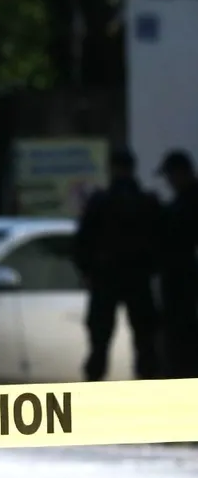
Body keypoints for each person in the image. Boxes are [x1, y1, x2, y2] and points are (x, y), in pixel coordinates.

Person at [73, 147, 162, 381]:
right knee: (145, 343)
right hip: (138, 278)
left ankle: (94, 389)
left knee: (99, 344)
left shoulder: (100, 202)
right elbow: (161, 241)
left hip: (106, 278)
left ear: (111, 169)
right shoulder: (147, 202)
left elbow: (82, 242)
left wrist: (87, 270)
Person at [155, 149, 198, 378]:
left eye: (171, 176)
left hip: (185, 296)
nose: (169, 182)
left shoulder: (186, 205)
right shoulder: (181, 203)